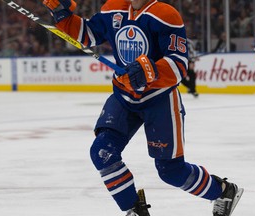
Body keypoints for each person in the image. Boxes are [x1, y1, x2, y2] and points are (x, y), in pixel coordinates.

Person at [42, 0, 244, 216]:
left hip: (159, 99)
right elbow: (88, 35)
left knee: (170, 171)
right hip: (124, 97)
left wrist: (149, 70)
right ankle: (134, 209)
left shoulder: (166, 14)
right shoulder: (114, 7)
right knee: (102, 153)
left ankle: (223, 192)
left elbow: (179, 65)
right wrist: (63, 15)